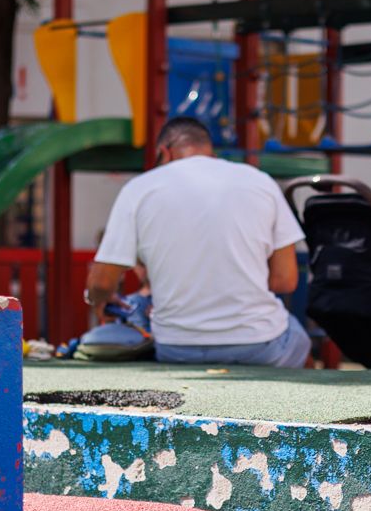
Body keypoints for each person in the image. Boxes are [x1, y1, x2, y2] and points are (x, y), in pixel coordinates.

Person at [84, 117, 310, 368]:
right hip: (258, 347)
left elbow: (102, 283)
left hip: (177, 348)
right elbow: (286, 280)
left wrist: (99, 298)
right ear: (209, 149)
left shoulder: (138, 189)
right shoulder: (260, 181)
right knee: (298, 335)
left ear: (164, 152)